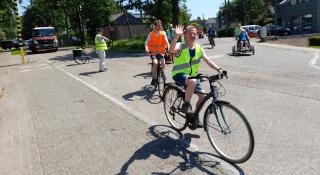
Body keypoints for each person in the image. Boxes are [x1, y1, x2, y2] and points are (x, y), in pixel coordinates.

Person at [169, 25, 225, 117]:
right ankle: (186, 104)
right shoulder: (181, 45)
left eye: (195, 33)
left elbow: (208, 60)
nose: (193, 35)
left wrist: (219, 69)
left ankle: (195, 116)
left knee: (202, 96)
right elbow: (171, 50)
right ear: (185, 34)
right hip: (179, 74)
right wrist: (176, 36)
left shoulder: (199, 48)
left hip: (193, 76)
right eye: (190, 33)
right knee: (193, 81)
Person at [145, 20, 170, 86]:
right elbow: (146, 43)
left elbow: (167, 42)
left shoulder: (163, 33)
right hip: (153, 52)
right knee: (155, 63)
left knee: (163, 62)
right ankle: (154, 79)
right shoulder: (151, 34)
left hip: (161, 52)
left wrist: (168, 49)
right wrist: (146, 49)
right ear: (154, 26)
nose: (159, 27)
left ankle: (160, 73)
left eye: (160, 25)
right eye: (157, 26)